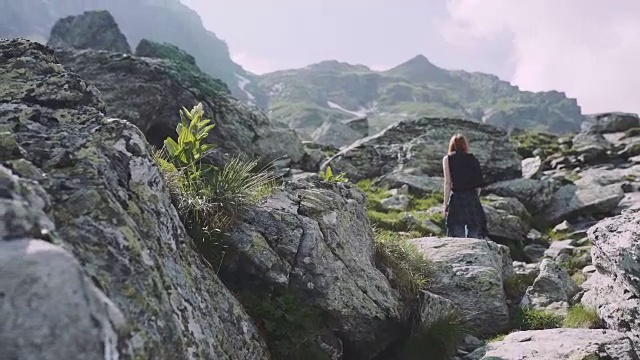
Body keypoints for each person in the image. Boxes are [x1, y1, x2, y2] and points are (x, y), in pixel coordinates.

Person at [442, 134, 488, 238]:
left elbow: (448, 183)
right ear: (465, 145)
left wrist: (445, 204)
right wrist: (475, 198)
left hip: (457, 197)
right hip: (472, 197)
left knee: (456, 229)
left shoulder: (448, 159)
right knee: (474, 228)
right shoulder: (473, 159)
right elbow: (479, 184)